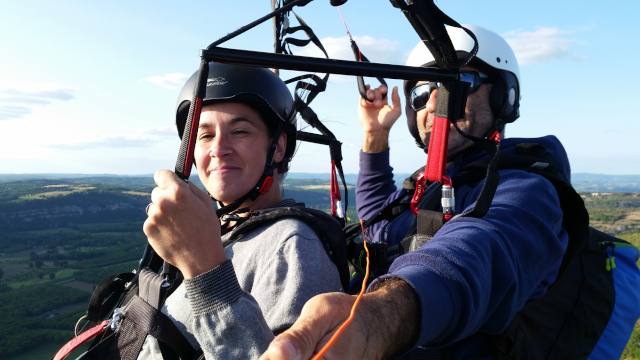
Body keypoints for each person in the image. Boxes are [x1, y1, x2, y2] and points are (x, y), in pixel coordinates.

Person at [260, 25, 574, 359]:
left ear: (503, 97)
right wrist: (375, 136)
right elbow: (379, 218)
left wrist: (376, 318)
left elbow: (475, 253)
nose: (435, 101)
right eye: (420, 93)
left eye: (458, 83)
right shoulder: (431, 185)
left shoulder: (526, 190)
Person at [142, 63, 344, 359]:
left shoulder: (293, 245)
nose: (219, 148)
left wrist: (205, 271)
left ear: (277, 148)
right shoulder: (215, 232)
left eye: (239, 131)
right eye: (205, 135)